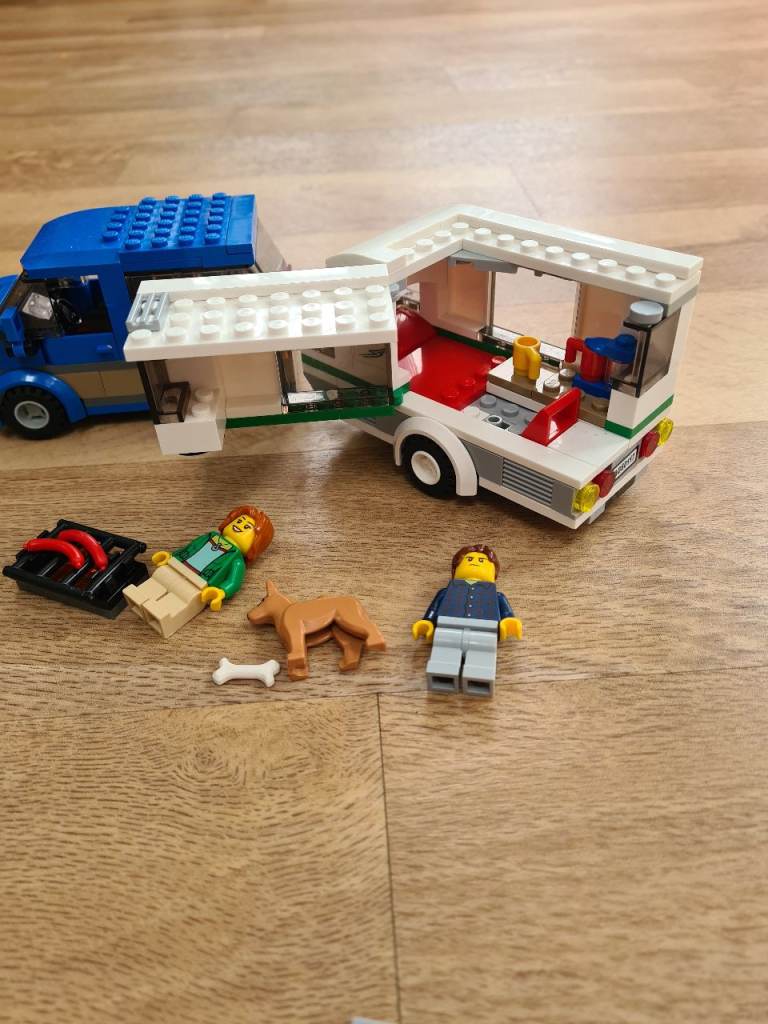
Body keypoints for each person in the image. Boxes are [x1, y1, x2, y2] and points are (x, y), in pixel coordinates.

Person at [123, 505, 273, 638]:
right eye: (239, 521)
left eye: (247, 527)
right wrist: (170, 556)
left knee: (180, 600)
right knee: (157, 579)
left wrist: (221, 591)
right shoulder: (208, 537)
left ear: (256, 542)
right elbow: (189, 549)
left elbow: (234, 581)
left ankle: (161, 615)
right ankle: (138, 597)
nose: (239, 526)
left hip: (198, 585)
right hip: (174, 567)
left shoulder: (236, 559)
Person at [412, 544, 522, 697]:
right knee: (444, 655)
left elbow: (506, 611)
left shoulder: (496, 595)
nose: (475, 562)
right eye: (469, 559)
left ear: (494, 573)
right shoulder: (447, 591)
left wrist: (508, 620)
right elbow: (434, 607)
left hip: (485, 631)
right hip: (447, 628)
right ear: (455, 569)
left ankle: (478, 679)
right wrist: (427, 621)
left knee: (482, 658)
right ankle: (443, 675)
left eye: (482, 561)